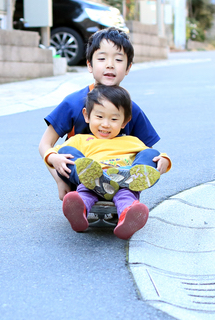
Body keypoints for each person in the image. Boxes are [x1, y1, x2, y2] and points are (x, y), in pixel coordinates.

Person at [38, 27, 168, 201]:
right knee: (66, 151)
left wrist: (160, 161)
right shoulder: (74, 102)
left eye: (119, 59)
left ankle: (126, 191)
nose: (110, 64)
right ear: (89, 64)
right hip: (81, 177)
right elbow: (45, 144)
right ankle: (90, 191)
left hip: (120, 174)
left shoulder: (131, 108)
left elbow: (146, 151)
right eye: (102, 58)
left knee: (151, 156)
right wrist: (60, 180)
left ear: (128, 67)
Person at [43, 85, 171, 240]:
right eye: (99, 117)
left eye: (114, 119)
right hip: (90, 180)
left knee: (150, 154)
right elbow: (55, 153)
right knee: (66, 154)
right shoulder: (80, 139)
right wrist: (53, 157)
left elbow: (150, 153)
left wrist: (163, 159)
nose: (105, 124)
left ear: (125, 122)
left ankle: (128, 216)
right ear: (87, 115)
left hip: (123, 182)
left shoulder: (131, 141)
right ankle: (79, 209)